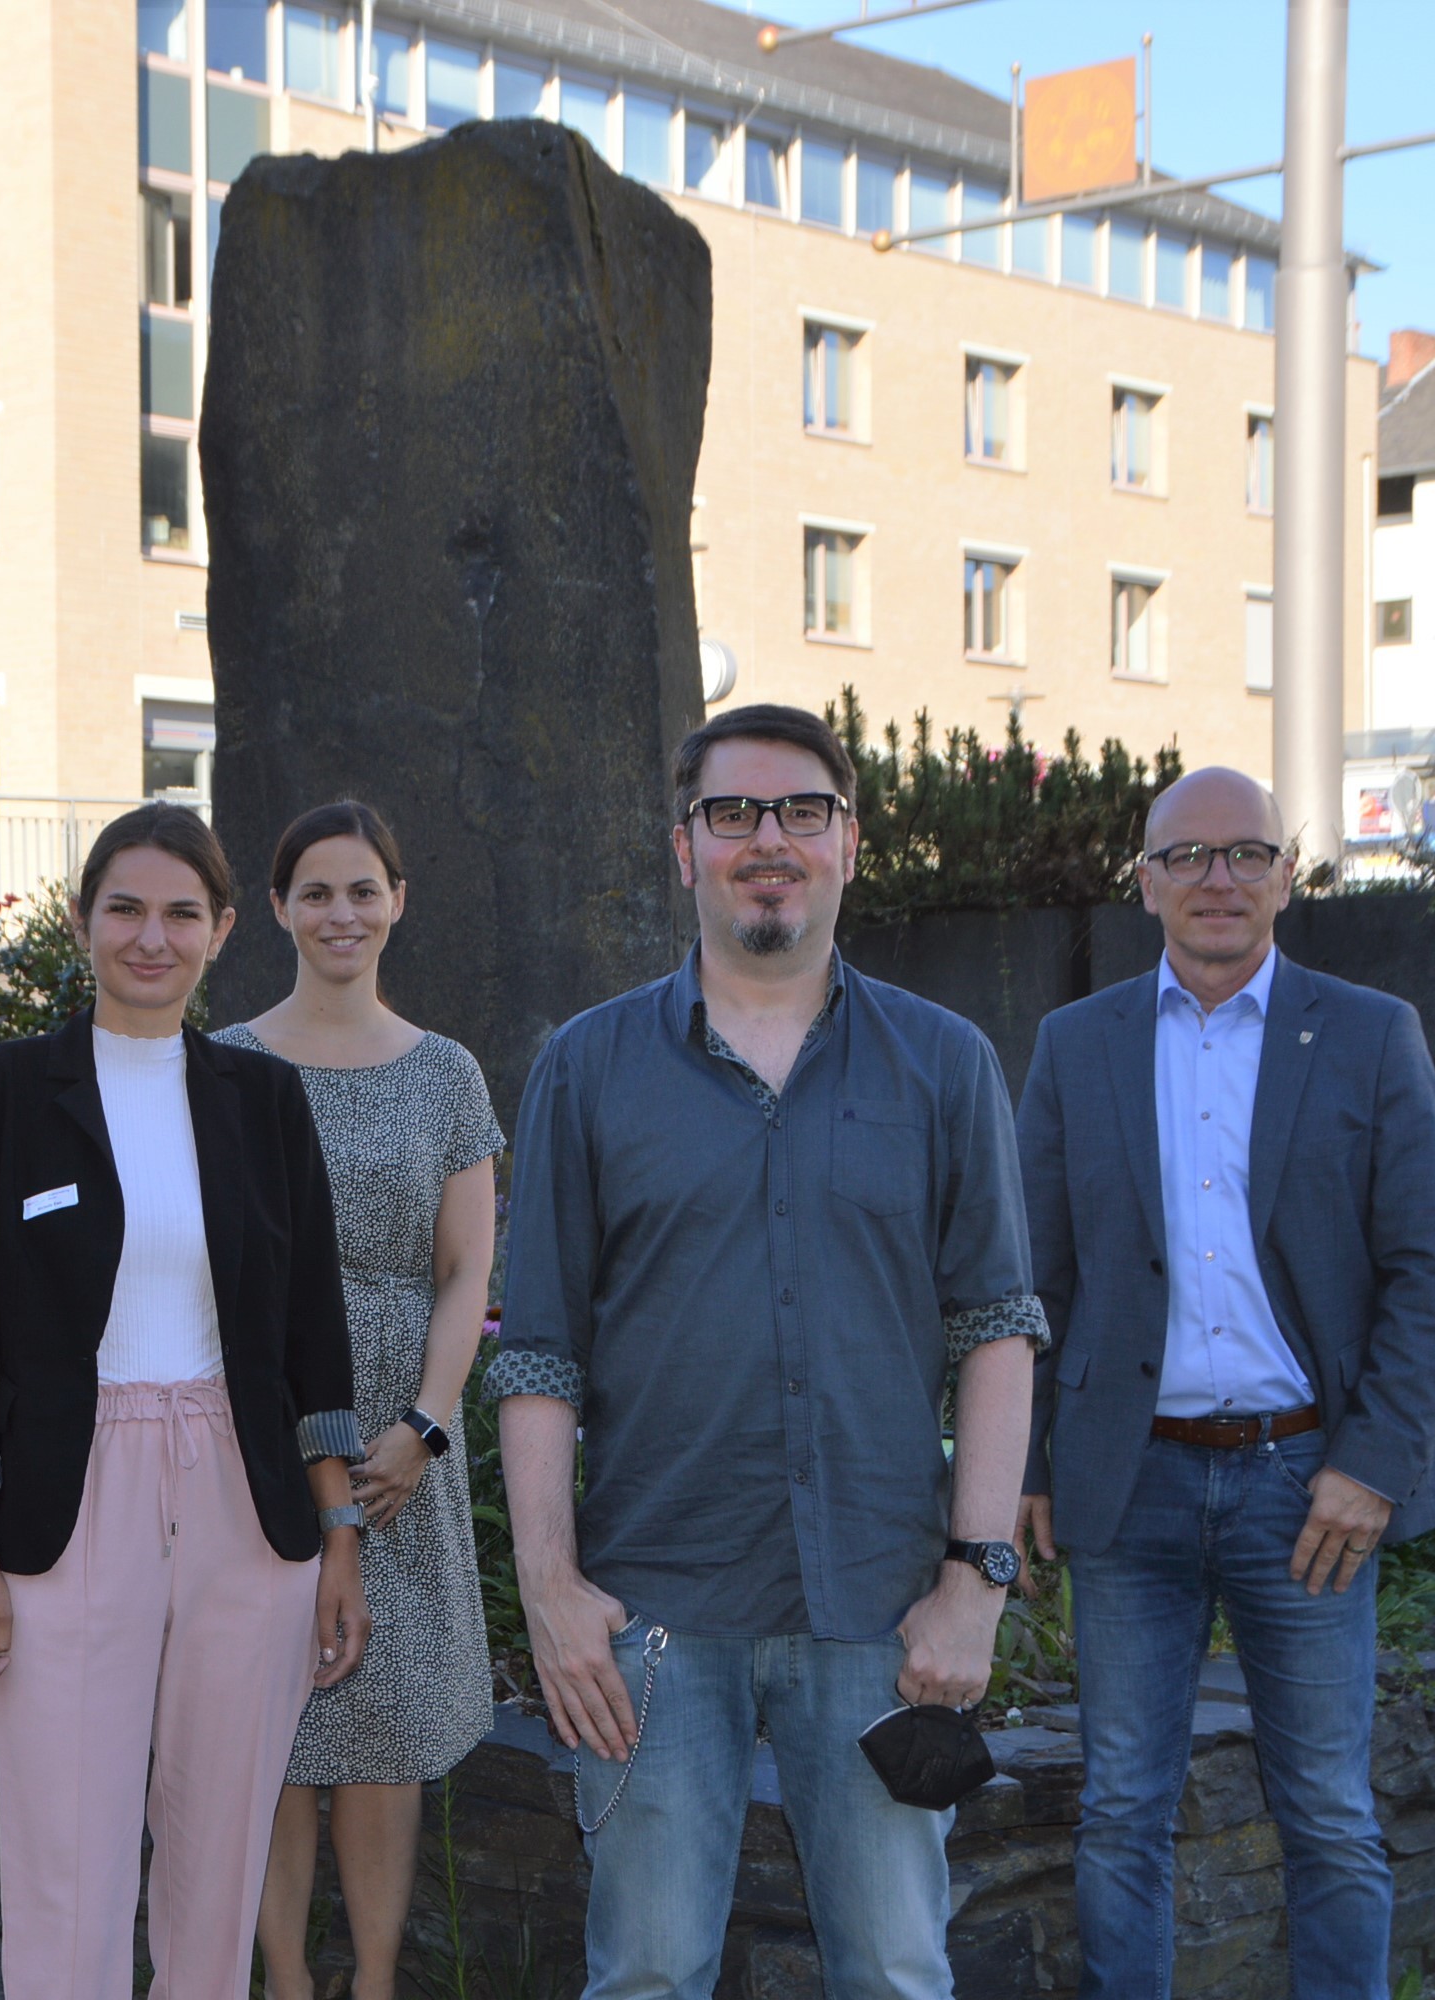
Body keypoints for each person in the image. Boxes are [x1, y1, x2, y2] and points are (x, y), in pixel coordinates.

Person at [493, 703, 1047, 2000]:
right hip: (653, 1616)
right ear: (684, 849)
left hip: (881, 1617)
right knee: (642, 1979)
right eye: (732, 812)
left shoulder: (945, 1064)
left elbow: (998, 1329)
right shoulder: (587, 1068)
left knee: (898, 1978)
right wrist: (549, 1589)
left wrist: (976, 1584)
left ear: (851, 843)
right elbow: (538, 1357)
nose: (768, 839)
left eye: (802, 810)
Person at [1014, 768, 1435, 1999]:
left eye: (1245, 853)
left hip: (1306, 1487)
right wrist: (1037, 1459)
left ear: (1286, 873)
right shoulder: (1075, 1043)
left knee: (1323, 1805)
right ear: (1145, 881)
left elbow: (1428, 1271)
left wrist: (1372, 1465)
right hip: (1131, 1482)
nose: (1217, 877)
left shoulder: (1370, 1032)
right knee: (1117, 1807)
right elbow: (1034, 1278)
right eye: (1187, 855)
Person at [0, 801, 370, 2000]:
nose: (150, 936)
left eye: (181, 911)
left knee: (219, 1855)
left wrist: (338, 1538)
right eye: (124, 907)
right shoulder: (2, 1092)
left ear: (224, 929)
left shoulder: (262, 1100)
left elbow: (308, 1333)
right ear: (80, 921)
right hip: (65, 1503)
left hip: (245, 1494)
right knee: (67, 1852)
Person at [220, 802, 502, 2000]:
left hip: (400, 1442)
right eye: (315, 891)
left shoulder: (445, 1071)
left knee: (382, 1734)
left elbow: (466, 1273)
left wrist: (426, 1425)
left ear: (397, 901)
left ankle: (373, 1982)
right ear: (276, 908)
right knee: (270, 1735)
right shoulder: (224, 1062)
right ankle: (284, 1979)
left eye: (362, 889)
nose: (341, 913)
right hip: (254, 1427)